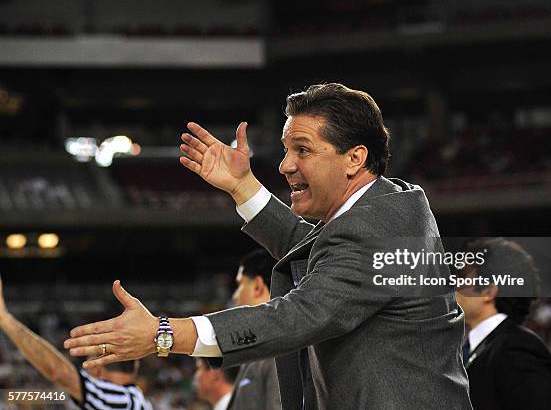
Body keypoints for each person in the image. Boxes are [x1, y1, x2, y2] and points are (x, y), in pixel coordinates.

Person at [64, 83, 472, 410]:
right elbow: (313, 253)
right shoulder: (384, 209)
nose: (285, 165)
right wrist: (243, 187)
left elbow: (300, 315)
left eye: (303, 149)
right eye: (285, 149)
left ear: (354, 158)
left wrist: (164, 333)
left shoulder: (377, 227)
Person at [0, 276, 152, 410]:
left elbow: (59, 373)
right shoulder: (136, 400)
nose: (84, 371)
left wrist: (4, 318)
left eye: (87, 361)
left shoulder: (121, 401)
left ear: (96, 368)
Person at [455, 238, 551, 410]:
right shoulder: (475, 348)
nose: (453, 287)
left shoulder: (517, 349)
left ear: (488, 291)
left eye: (462, 279)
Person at [228, 249, 281, 410]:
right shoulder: (262, 347)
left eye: (240, 284)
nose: (235, 296)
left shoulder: (279, 349)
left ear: (257, 286)